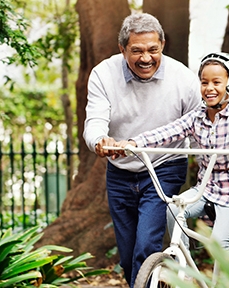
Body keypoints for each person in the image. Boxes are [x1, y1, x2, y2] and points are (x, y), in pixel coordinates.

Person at [82, 13, 201, 287]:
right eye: (136, 51)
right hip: (120, 171)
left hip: (164, 166)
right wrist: (100, 140)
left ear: (163, 44)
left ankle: (155, 276)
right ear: (122, 49)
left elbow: (200, 128)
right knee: (127, 257)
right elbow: (95, 121)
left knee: (146, 246)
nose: (146, 58)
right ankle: (156, 279)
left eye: (153, 50)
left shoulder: (183, 78)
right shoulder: (103, 74)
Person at [115, 52, 229, 275]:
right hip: (205, 190)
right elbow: (168, 131)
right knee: (173, 207)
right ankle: (184, 260)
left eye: (216, 82)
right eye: (204, 82)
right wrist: (135, 142)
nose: (209, 87)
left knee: (219, 247)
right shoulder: (196, 116)